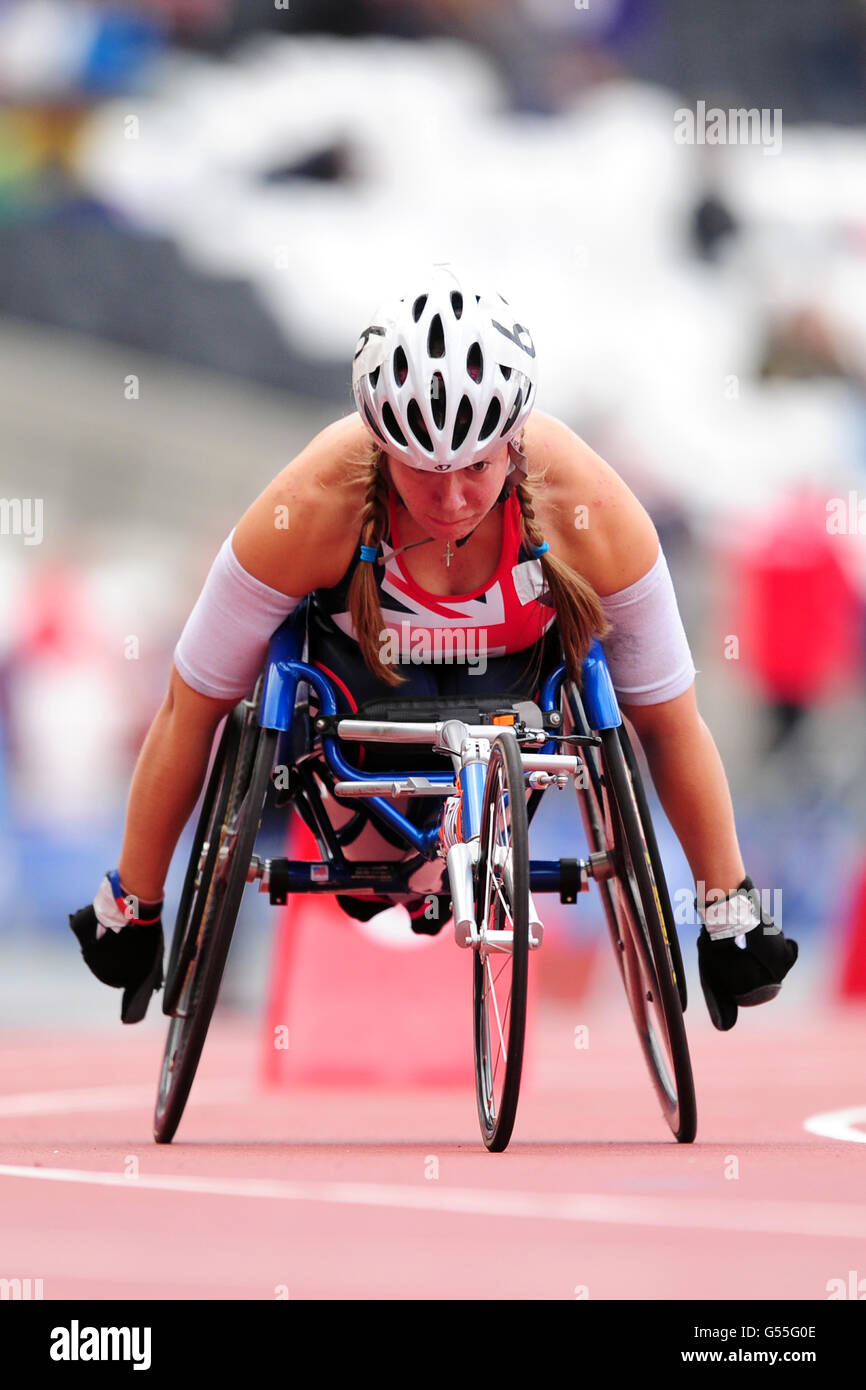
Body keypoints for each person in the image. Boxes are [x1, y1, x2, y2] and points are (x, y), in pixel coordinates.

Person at [69, 264, 797, 1026]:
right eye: (421, 474)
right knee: (374, 870)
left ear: (514, 445)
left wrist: (728, 907)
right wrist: (135, 900)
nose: (451, 500)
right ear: (381, 451)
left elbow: (667, 719)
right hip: (362, 733)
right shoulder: (310, 507)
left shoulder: (593, 507)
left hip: (516, 716)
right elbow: (194, 705)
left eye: (476, 470)